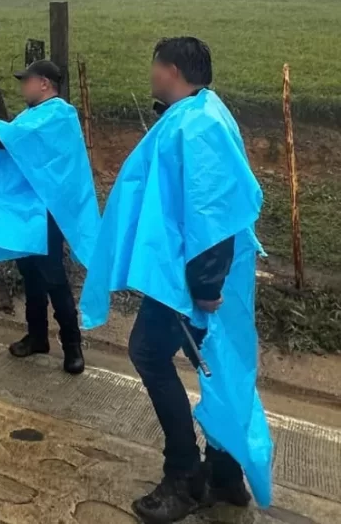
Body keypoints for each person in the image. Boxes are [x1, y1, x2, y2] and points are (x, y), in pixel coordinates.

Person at [80, 38, 272, 523]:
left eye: (154, 66)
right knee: (216, 364)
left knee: (149, 352)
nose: (150, 74)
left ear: (170, 69)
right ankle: (225, 477)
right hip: (193, 275)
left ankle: (185, 477)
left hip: (193, 282)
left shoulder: (198, 124)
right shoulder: (198, 112)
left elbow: (212, 212)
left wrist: (205, 286)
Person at [0, 59, 99, 375]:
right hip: (27, 212)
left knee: (53, 278)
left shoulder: (60, 115)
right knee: (31, 275)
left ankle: (72, 346)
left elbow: (8, 139)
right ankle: (37, 337)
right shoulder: (33, 115)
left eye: (27, 80)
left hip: (48, 213)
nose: (23, 86)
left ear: (45, 83)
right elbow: (15, 143)